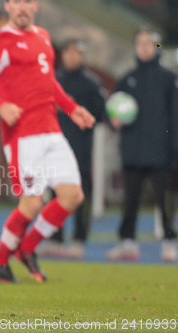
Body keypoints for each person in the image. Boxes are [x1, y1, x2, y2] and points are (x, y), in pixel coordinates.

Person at [0, 0, 95, 283]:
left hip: (51, 130)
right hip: (22, 136)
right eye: (17, 2)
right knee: (31, 204)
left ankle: (26, 249)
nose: (22, 7)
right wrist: (0, 106)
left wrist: (72, 108)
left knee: (73, 196)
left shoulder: (42, 37)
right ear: (8, 6)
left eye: (27, 2)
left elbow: (49, 82)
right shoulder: (0, 41)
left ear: (35, 5)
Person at [106, 27, 178, 262]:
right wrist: (112, 120)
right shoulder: (127, 79)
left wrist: (173, 149)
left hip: (161, 154)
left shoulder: (169, 79)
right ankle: (127, 242)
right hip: (132, 152)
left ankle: (168, 242)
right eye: (140, 43)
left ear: (158, 46)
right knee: (130, 201)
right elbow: (111, 109)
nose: (145, 47)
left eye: (150, 43)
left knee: (165, 200)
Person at [39, 39, 106, 259]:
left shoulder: (91, 83)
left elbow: (101, 115)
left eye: (77, 53)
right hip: (53, 150)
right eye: (69, 52)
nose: (72, 57)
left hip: (80, 152)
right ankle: (55, 238)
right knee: (54, 197)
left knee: (80, 198)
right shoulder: (52, 80)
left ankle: (79, 240)